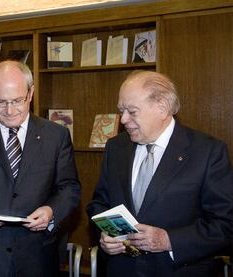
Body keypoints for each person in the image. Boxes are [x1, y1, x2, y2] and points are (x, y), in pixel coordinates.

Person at [86, 70, 233, 277]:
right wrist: (107, 234)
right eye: (121, 110)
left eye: (132, 111)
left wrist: (168, 240)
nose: (123, 119)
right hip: (122, 269)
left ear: (162, 108)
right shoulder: (116, 147)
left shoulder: (208, 152)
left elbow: (225, 224)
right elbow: (99, 202)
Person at [0, 60, 81, 276]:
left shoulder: (56, 136)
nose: (10, 110)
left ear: (30, 93)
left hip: (37, 257)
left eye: (17, 100)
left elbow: (69, 188)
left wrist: (51, 211)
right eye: (0, 102)